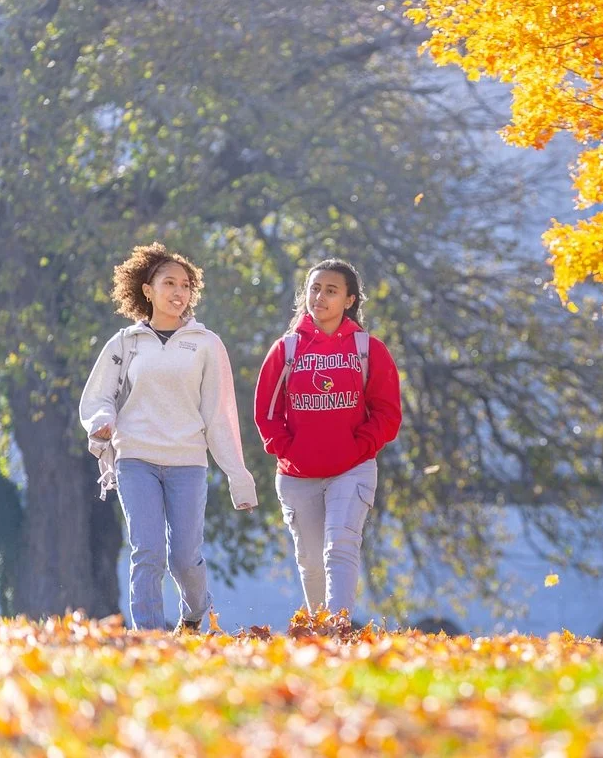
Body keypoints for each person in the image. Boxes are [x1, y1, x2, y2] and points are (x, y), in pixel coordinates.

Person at [79, 243, 258, 633]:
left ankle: (194, 615)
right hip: (135, 459)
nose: (179, 292)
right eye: (169, 283)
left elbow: (219, 413)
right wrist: (102, 422)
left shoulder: (206, 344)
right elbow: (99, 397)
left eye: (186, 285)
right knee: (148, 552)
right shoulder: (125, 343)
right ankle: (149, 636)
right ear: (147, 289)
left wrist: (237, 475)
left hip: (187, 463)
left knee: (184, 559)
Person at [254, 259, 402, 616]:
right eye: (314, 289)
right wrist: (289, 450)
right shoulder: (286, 349)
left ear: (349, 300)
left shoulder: (368, 350)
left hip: (352, 470)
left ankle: (338, 630)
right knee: (310, 559)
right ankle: (320, 630)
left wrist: (359, 447)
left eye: (331, 291)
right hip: (296, 475)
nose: (319, 297)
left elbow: (387, 413)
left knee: (340, 546)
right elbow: (267, 413)